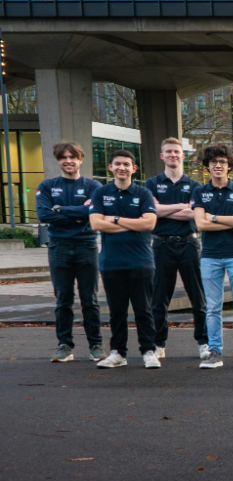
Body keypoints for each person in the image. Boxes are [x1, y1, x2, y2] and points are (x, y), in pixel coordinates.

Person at [88, 150, 159, 369]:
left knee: (143, 310)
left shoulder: (143, 193)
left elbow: (149, 224)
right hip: (111, 263)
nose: (122, 168)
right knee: (117, 311)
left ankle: (148, 351)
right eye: (117, 164)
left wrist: (116, 219)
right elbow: (96, 224)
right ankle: (118, 353)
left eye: (126, 164)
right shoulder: (101, 194)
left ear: (133, 168)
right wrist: (132, 224)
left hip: (141, 262)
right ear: (110, 167)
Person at [36, 142, 104, 363]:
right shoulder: (47, 186)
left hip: (86, 246)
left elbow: (93, 212)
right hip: (59, 248)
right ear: (58, 161)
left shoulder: (93, 186)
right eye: (63, 158)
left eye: (72, 157)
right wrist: (79, 214)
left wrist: (61, 209)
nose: (68, 161)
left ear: (80, 159)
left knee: (90, 299)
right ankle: (65, 345)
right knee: (63, 299)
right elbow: (44, 215)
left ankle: (96, 345)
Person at [192, 144, 233, 369]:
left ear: (229, 166)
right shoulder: (200, 192)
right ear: (207, 166)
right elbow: (200, 224)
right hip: (210, 256)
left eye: (222, 162)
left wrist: (214, 218)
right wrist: (225, 219)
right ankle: (215, 351)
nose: (218, 165)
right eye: (213, 162)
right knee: (212, 307)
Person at [144, 137, 208, 360]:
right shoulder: (151, 184)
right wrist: (182, 206)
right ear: (162, 156)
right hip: (161, 244)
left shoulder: (195, 186)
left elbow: (195, 214)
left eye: (176, 152)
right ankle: (159, 343)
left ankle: (204, 342)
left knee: (198, 297)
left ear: (183, 156)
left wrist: (164, 209)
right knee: (159, 298)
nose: (172, 155)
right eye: (168, 152)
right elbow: (152, 210)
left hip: (189, 242)